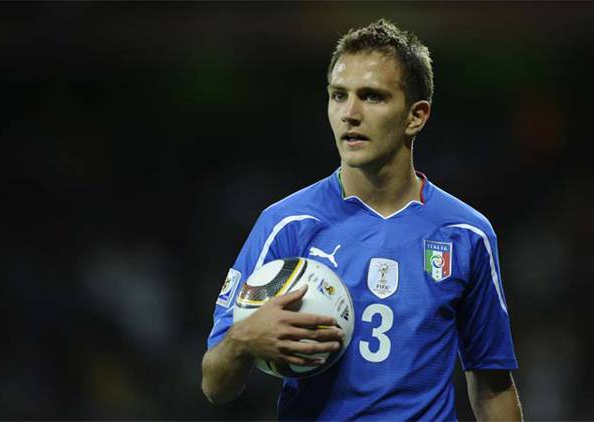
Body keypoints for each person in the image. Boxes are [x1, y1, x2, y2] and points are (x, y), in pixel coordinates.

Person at [202, 18, 523, 421]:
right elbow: (215, 385)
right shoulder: (286, 223)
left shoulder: (466, 233)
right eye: (339, 96)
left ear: (415, 116)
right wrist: (242, 341)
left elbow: (493, 388)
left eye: (372, 97)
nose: (350, 114)